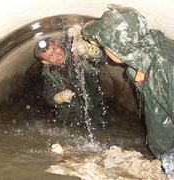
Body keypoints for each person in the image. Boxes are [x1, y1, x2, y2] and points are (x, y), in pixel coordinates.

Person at [82, 4, 174, 176]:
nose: (104, 48)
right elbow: (130, 59)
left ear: (118, 47)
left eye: (105, 45)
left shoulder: (163, 68)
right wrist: (100, 55)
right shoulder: (149, 50)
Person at [34, 37, 107, 130]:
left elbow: (100, 59)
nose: (56, 55)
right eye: (50, 56)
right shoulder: (49, 73)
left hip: (93, 111)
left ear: (57, 43)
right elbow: (49, 96)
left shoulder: (75, 52)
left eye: (55, 49)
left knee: (99, 133)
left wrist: (93, 52)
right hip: (69, 119)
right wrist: (59, 97)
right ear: (46, 62)